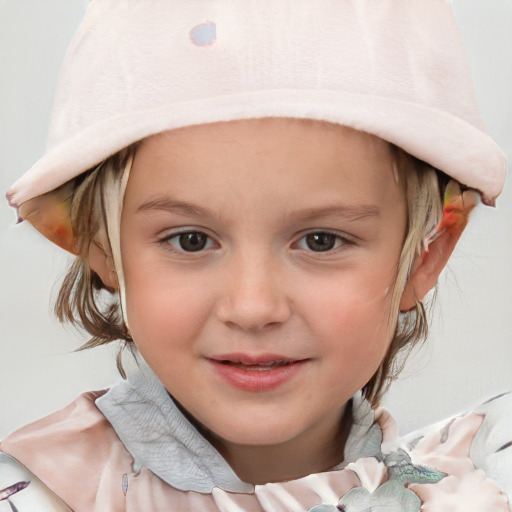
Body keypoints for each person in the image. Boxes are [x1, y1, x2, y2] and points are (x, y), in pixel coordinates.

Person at [0, 1, 510, 510]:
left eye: (321, 241)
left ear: (425, 255)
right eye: (191, 240)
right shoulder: (39, 494)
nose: (253, 308)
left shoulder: (476, 481)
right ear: (102, 248)